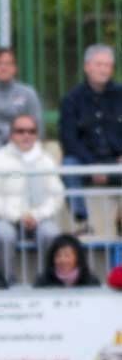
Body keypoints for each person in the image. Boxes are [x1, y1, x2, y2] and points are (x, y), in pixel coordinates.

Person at [0, 114, 64, 282]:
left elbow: (56, 195)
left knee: (51, 234)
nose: (26, 135)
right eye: (20, 131)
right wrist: (18, 216)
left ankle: (47, 282)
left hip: (40, 219)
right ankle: (5, 283)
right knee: (3, 236)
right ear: (11, 134)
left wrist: (37, 215)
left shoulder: (46, 160)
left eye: (31, 131)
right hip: (7, 219)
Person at [58, 44, 122, 236]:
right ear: (87, 67)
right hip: (85, 161)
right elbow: (68, 139)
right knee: (68, 165)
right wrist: (92, 165)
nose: (104, 69)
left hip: (116, 160)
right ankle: (82, 221)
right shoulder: (71, 99)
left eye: (108, 65)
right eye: (99, 64)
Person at [33, 233, 101, 287]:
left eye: (67, 255)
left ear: (77, 258)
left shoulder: (90, 281)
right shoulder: (43, 282)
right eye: (58, 256)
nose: (63, 260)